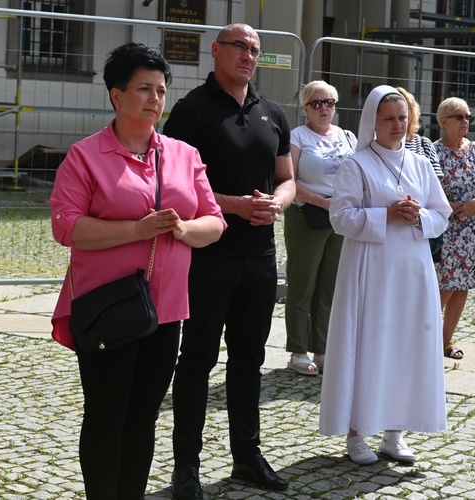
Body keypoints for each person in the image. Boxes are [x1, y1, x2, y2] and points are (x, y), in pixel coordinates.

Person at [49, 42, 226, 499]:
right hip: (108, 305)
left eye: (161, 90)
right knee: (107, 415)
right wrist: (139, 229)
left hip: (166, 310)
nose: (154, 99)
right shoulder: (85, 156)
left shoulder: (184, 155)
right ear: (116, 95)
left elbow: (215, 222)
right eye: (143, 88)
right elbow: (66, 227)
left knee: (144, 415)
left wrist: (184, 229)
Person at [162, 23, 295, 497]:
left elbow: (288, 177)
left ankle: (247, 457)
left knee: (249, 360)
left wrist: (278, 202)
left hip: (259, 257)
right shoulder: (191, 111)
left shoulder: (273, 112)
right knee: (197, 360)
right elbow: (173, 185)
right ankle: (186, 468)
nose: (248, 55)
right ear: (215, 50)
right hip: (207, 256)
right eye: (239, 46)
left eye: (255, 49)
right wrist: (233, 205)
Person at [319, 85, 452, 465]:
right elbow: (340, 217)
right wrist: (387, 215)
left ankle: (395, 432)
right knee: (368, 343)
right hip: (370, 269)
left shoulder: (421, 165)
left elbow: (440, 214)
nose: (397, 125)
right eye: (389, 118)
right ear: (372, 122)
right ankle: (357, 431)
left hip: (412, 269)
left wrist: (418, 216)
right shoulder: (356, 164)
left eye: (402, 118)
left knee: (406, 344)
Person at [284, 80, 357, 376]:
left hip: (340, 217)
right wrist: (319, 201)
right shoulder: (297, 137)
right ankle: (298, 350)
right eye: (316, 103)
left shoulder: (347, 136)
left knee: (330, 287)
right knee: (303, 284)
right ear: (305, 108)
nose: (323, 108)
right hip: (307, 215)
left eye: (329, 102)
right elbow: (288, 180)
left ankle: (323, 349)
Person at [434, 97, 475, 360]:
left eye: (468, 116)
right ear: (443, 121)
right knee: (445, 284)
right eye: (459, 117)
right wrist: (451, 206)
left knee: (463, 286)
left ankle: (446, 342)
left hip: (473, 228)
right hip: (447, 227)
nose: (465, 121)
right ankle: (426, 339)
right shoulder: (434, 151)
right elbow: (428, 190)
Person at [395, 86, 443, 178]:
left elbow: (436, 180)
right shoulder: (378, 144)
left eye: (405, 107)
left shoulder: (424, 144)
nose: (399, 113)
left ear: (412, 111)